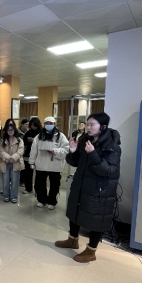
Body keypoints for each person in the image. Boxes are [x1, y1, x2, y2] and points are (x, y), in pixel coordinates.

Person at [56, 113, 121, 263]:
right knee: (75, 211)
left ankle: (91, 251)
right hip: (81, 184)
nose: (88, 127)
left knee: (96, 218)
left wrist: (93, 154)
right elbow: (75, 162)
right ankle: (72, 240)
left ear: (103, 127)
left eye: (92, 125)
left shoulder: (112, 146)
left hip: (99, 189)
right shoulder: (84, 140)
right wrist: (73, 150)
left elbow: (108, 170)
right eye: (88, 124)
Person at [29, 117, 70, 210]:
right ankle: (41, 200)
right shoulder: (39, 136)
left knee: (54, 185)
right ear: (44, 124)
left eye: (51, 123)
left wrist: (54, 151)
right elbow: (33, 150)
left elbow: (66, 149)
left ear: (55, 124)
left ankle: (52, 201)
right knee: (40, 184)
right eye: (47, 123)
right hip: (41, 164)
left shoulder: (61, 136)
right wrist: (32, 162)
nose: (49, 125)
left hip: (55, 165)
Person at [0, 121, 24, 203]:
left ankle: (13, 197)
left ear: (14, 130)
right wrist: (9, 158)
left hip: (16, 163)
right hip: (5, 163)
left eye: (12, 130)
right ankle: (6, 196)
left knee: (15, 182)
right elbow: (1, 152)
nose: (10, 131)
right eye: (9, 130)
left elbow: (20, 151)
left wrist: (13, 158)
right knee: (5, 181)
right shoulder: (3, 141)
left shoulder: (19, 140)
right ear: (6, 131)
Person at [22, 117, 41, 194]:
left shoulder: (41, 132)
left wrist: (35, 141)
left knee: (39, 174)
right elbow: (23, 142)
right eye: (32, 125)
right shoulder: (28, 132)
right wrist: (28, 140)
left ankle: (38, 189)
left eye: (34, 125)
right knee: (28, 173)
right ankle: (28, 188)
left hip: (39, 155)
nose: (33, 127)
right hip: (28, 154)